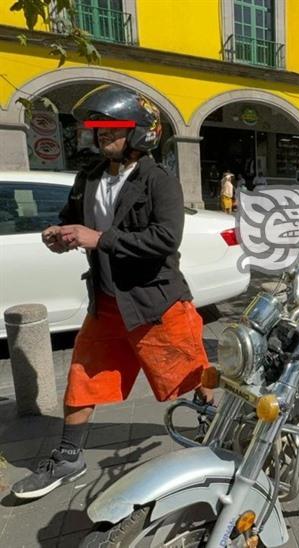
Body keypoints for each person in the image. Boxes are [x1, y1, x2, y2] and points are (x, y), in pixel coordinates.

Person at [11, 85, 211, 499]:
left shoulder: (160, 181)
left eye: (111, 130)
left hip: (158, 303)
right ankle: (68, 457)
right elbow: (72, 218)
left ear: (140, 133)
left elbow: (164, 240)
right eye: (98, 131)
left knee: (190, 372)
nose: (102, 137)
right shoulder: (88, 177)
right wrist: (60, 234)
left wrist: (97, 238)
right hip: (106, 302)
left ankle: (213, 421)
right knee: (83, 377)